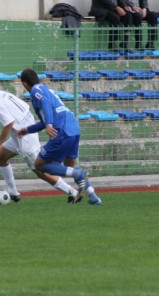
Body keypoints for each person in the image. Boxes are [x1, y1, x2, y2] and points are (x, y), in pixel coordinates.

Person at [0, 75, 82, 203]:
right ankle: (13, 192)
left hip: (24, 139)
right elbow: (26, 108)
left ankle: (72, 192)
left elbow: (9, 123)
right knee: (0, 157)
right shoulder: (6, 94)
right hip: (22, 133)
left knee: (40, 170)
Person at [16, 69, 102, 205]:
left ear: (25, 84)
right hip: (73, 126)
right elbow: (44, 121)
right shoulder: (46, 89)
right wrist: (27, 130)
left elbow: (45, 105)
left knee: (39, 165)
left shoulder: (35, 91)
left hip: (61, 130)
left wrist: (50, 124)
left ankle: (79, 175)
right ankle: (93, 197)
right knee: (70, 165)